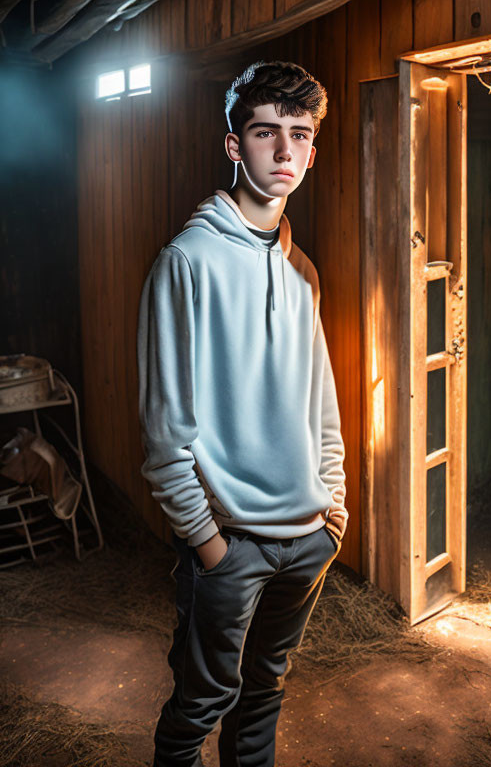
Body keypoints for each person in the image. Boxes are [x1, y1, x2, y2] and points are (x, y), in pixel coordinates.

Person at [136, 59, 348, 767]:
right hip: (231, 546)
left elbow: (321, 400)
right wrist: (207, 544)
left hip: (308, 540)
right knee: (200, 705)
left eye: (300, 135)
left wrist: (334, 512)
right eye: (265, 133)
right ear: (235, 146)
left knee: (265, 697)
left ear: (313, 150)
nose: (285, 152)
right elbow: (166, 432)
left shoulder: (302, 270)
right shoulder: (186, 262)